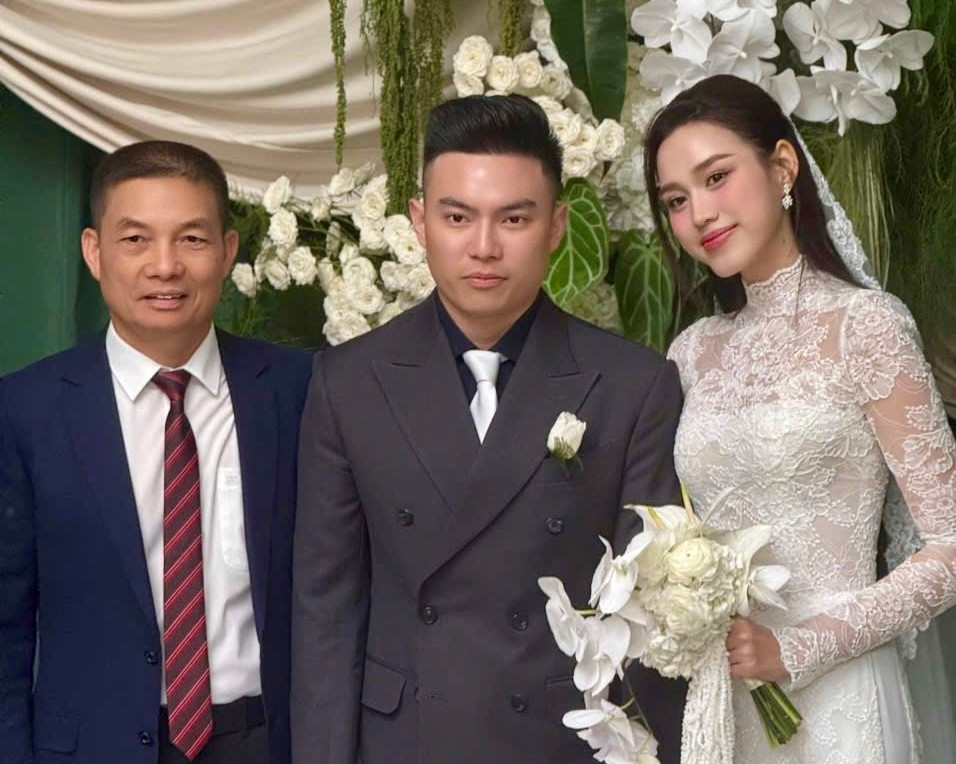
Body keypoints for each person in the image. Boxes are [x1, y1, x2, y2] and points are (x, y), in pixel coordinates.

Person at [291, 94, 686, 764]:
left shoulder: (632, 385)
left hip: (563, 740)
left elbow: (650, 616)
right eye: (457, 217)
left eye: (514, 218)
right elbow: (324, 610)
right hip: (405, 740)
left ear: (556, 226)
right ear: (420, 221)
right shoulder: (348, 381)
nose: (484, 247)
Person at [644, 74, 956, 763]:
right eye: (676, 200)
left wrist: (801, 647)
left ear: (782, 166)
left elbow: (950, 545)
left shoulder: (866, 327)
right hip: (725, 696)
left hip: (840, 695)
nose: (700, 213)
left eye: (716, 177)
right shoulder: (692, 353)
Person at [0, 141, 311, 764]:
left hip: (264, 740)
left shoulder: (300, 391)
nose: (165, 266)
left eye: (191, 239)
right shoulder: (24, 411)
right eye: (136, 240)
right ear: (94, 251)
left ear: (227, 250)